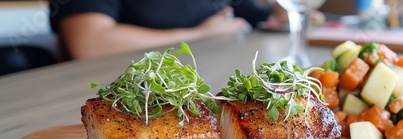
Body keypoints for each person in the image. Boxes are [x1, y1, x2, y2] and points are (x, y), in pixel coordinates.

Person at [49, 0, 287, 60]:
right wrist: (200, 34)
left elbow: (257, 15)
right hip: (116, 89)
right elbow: (91, 42)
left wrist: (285, 10)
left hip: (204, 81)